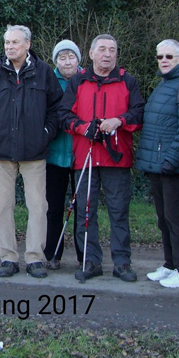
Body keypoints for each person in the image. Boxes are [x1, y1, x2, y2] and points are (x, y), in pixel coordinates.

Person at [0, 25, 63, 279]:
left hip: (34, 153)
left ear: (27, 44)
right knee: (2, 207)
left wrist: (45, 133)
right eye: (6, 42)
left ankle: (35, 258)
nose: (9, 46)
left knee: (38, 207)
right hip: (0, 153)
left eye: (14, 42)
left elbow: (56, 108)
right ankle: (8, 258)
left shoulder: (44, 72)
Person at [58, 34, 144, 283]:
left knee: (118, 212)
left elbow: (139, 112)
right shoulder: (78, 81)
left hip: (116, 158)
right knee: (86, 212)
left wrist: (120, 121)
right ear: (92, 53)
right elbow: (63, 115)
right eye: (102, 49)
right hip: (85, 157)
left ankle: (122, 262)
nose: (107, 54)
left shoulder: (128, 81)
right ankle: (90, 261)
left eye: (112, 50)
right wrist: (82, 127)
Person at [134, 40, 179, 288]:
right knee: (164, 219)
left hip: (172, 167)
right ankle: (171, 264)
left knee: (176, 218)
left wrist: (172, 159)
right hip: (157, 166)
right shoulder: (164, 85)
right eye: (160, 56)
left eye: (169, 57)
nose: (163, 60)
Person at [44, 40, 83, 270]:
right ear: (56, 61)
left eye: (71, 57)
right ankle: (52, 254)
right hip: (54, 155)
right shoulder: (49, 80)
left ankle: (83, 255)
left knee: (82, 208)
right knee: (54, 207)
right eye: (62, 57)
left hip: (80, 154)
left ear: (78, 59)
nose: (67, 62)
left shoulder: (86, 79)